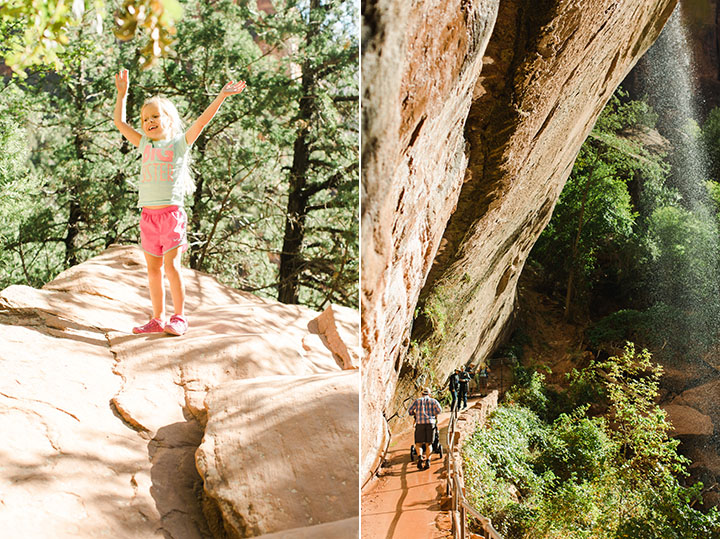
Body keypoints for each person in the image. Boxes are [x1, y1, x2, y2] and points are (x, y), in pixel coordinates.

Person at [113, 69, 246, 336]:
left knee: (172, 267)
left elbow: (202, 122)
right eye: (145, 118)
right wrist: (122, 94)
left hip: (171, 216)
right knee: (153, 270)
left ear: (169, 120)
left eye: (155, 116)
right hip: (148, 217)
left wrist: (221, 96)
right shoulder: (144, 145)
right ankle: (157, 319)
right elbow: (119, 123)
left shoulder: (178, 144)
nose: (148, 121)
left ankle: (179, 318)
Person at [408, 387, 442, 470]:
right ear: (429, 394)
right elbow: (439, 410)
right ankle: (427, 460)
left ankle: (420, 457)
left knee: (418, 443)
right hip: (430, 423)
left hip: (420, 424)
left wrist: (415, 414)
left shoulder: (417, 401)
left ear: (421, 393)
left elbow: (410, 411)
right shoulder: (433, 401)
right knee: (429, 444)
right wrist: (433, 414)